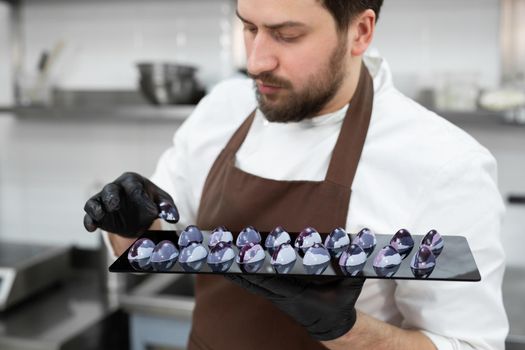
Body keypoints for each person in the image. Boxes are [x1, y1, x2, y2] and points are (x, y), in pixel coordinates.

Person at [83, 1, 509, 349]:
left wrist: (348, 331)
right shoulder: (224, 108)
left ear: (359, 32)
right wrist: (130, 230)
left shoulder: (445, 163)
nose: (255, 62)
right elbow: (154, 245)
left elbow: (468, 345)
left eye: (286, 35)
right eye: (249, 28)